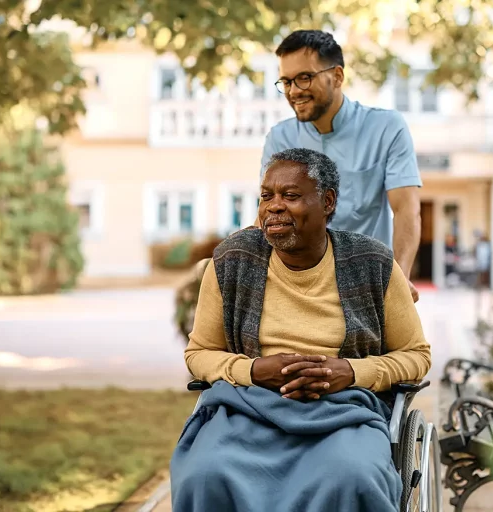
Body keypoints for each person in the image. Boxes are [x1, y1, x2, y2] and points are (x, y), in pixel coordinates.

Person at [170, 148, 431, 512]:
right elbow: (198, 354)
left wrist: (351, 372)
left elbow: (417, 355)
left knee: (352, 475)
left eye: (290, 195)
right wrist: (254, 370)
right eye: (266, 196)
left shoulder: (373, 263)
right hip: (248, 409)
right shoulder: (231, 260)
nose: (273, 207)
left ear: (327, 202)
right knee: (205, 473)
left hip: (344, 412)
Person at [260, 29, 423, 302]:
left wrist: (399, 278)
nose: (294, 91)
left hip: (367, 288)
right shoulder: (280, 138)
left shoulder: (386, 128)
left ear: (337, 76)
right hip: (298, 290)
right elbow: (269, 215)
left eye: (304, 78)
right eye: (286, 81)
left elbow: (406, 209)